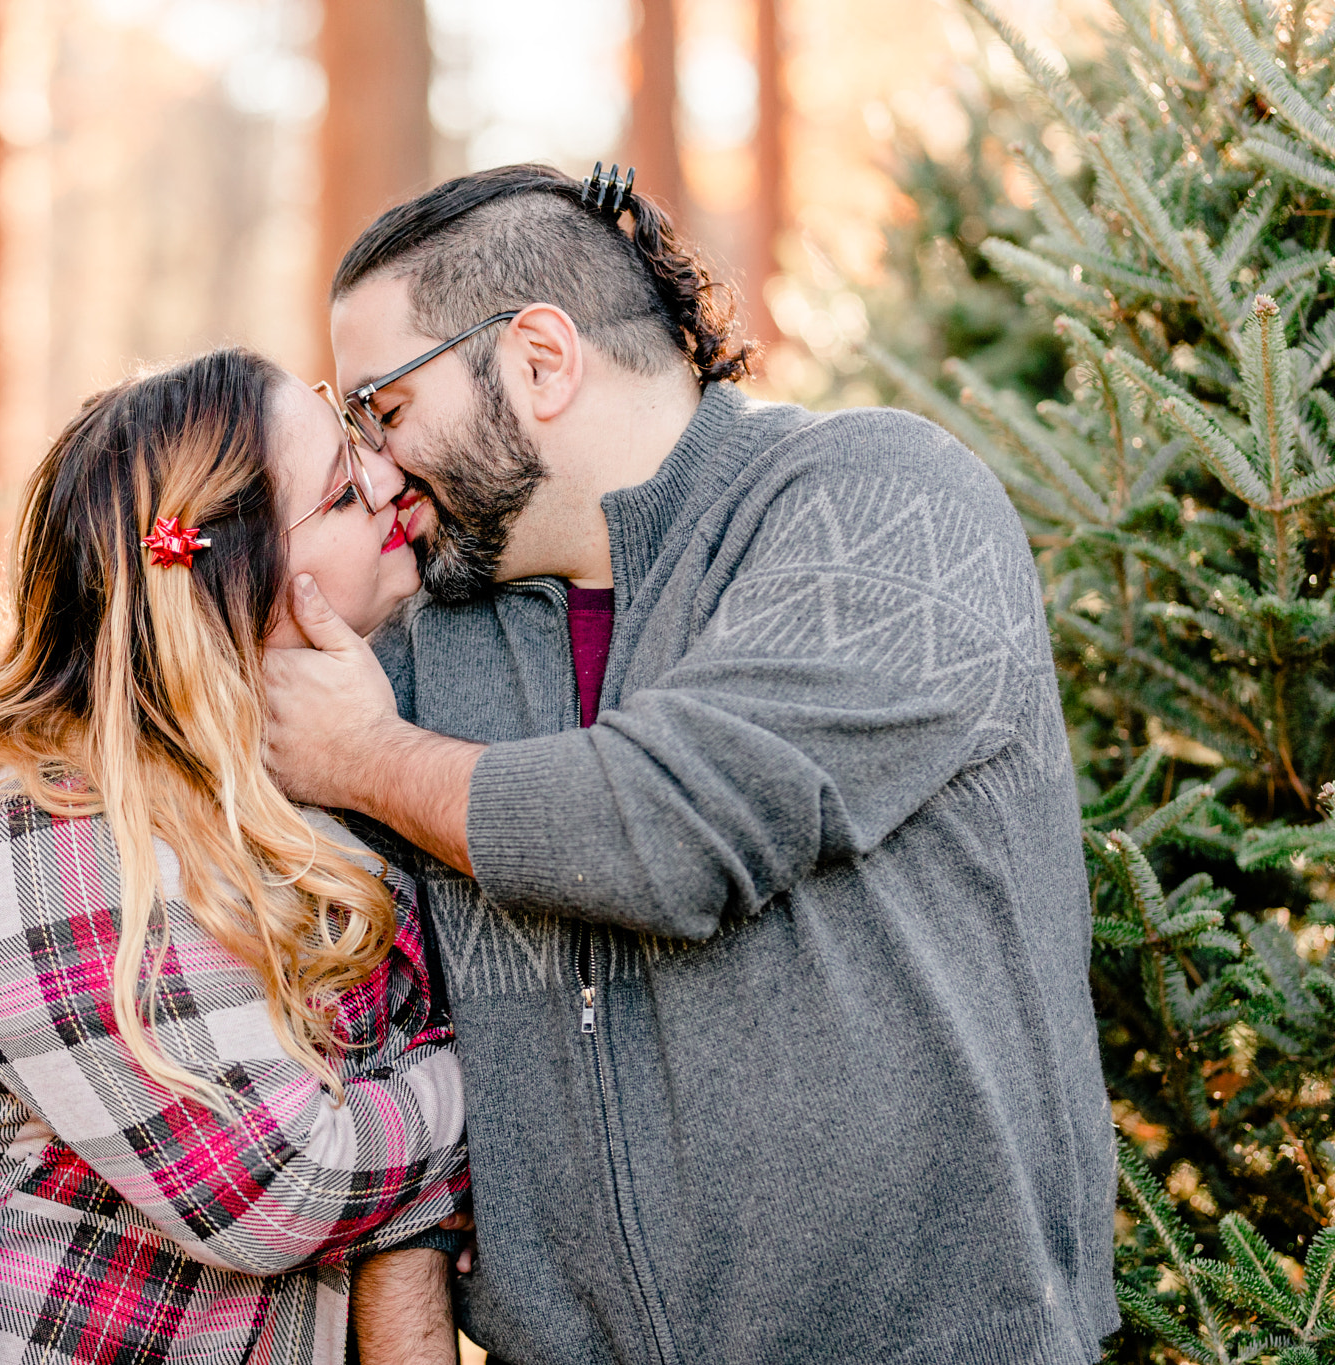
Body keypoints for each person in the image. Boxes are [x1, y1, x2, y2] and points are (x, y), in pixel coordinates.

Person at [263, 163, 1117, 1365]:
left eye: (386, 410)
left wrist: (368, 756)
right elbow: (362, 1021)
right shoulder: (422, 637)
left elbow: (661, 829)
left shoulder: (880, 499)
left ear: (539, 360)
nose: (380, 471)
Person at [0, 347, 468, 1365]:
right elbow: (278, 1188)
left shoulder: (275, 749)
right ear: (225, 592)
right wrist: (505, 1069)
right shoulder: (41, 842)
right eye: (338, 490)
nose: (386, 480)